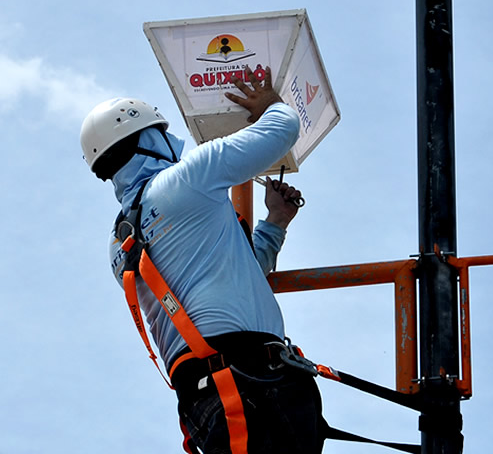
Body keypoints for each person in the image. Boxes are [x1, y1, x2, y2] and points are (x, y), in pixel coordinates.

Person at [80, 68, 325, 454]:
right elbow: (282, 129)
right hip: (252, 383)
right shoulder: (187, 180)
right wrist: (270, 105)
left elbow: (231, 275)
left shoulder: (119, 244)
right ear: (149, 139)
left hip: (207, 400)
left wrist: (274, 224)